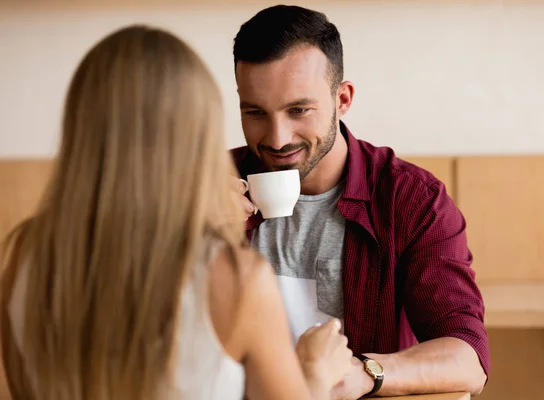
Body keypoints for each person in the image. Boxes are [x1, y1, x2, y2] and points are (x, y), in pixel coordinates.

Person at [0, 25, 352, 400]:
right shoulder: (237, 278)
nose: (277, 137)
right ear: (198, 134)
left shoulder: (23, 254)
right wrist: (315, 375)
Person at [230, 5, 490, 399]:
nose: (278, 137)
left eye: (299, 110)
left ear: (343, 99)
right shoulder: (206, 185)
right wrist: (181, 229)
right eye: (255, 113)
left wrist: (366, 372)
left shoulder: (410, 200)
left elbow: (468, 358)